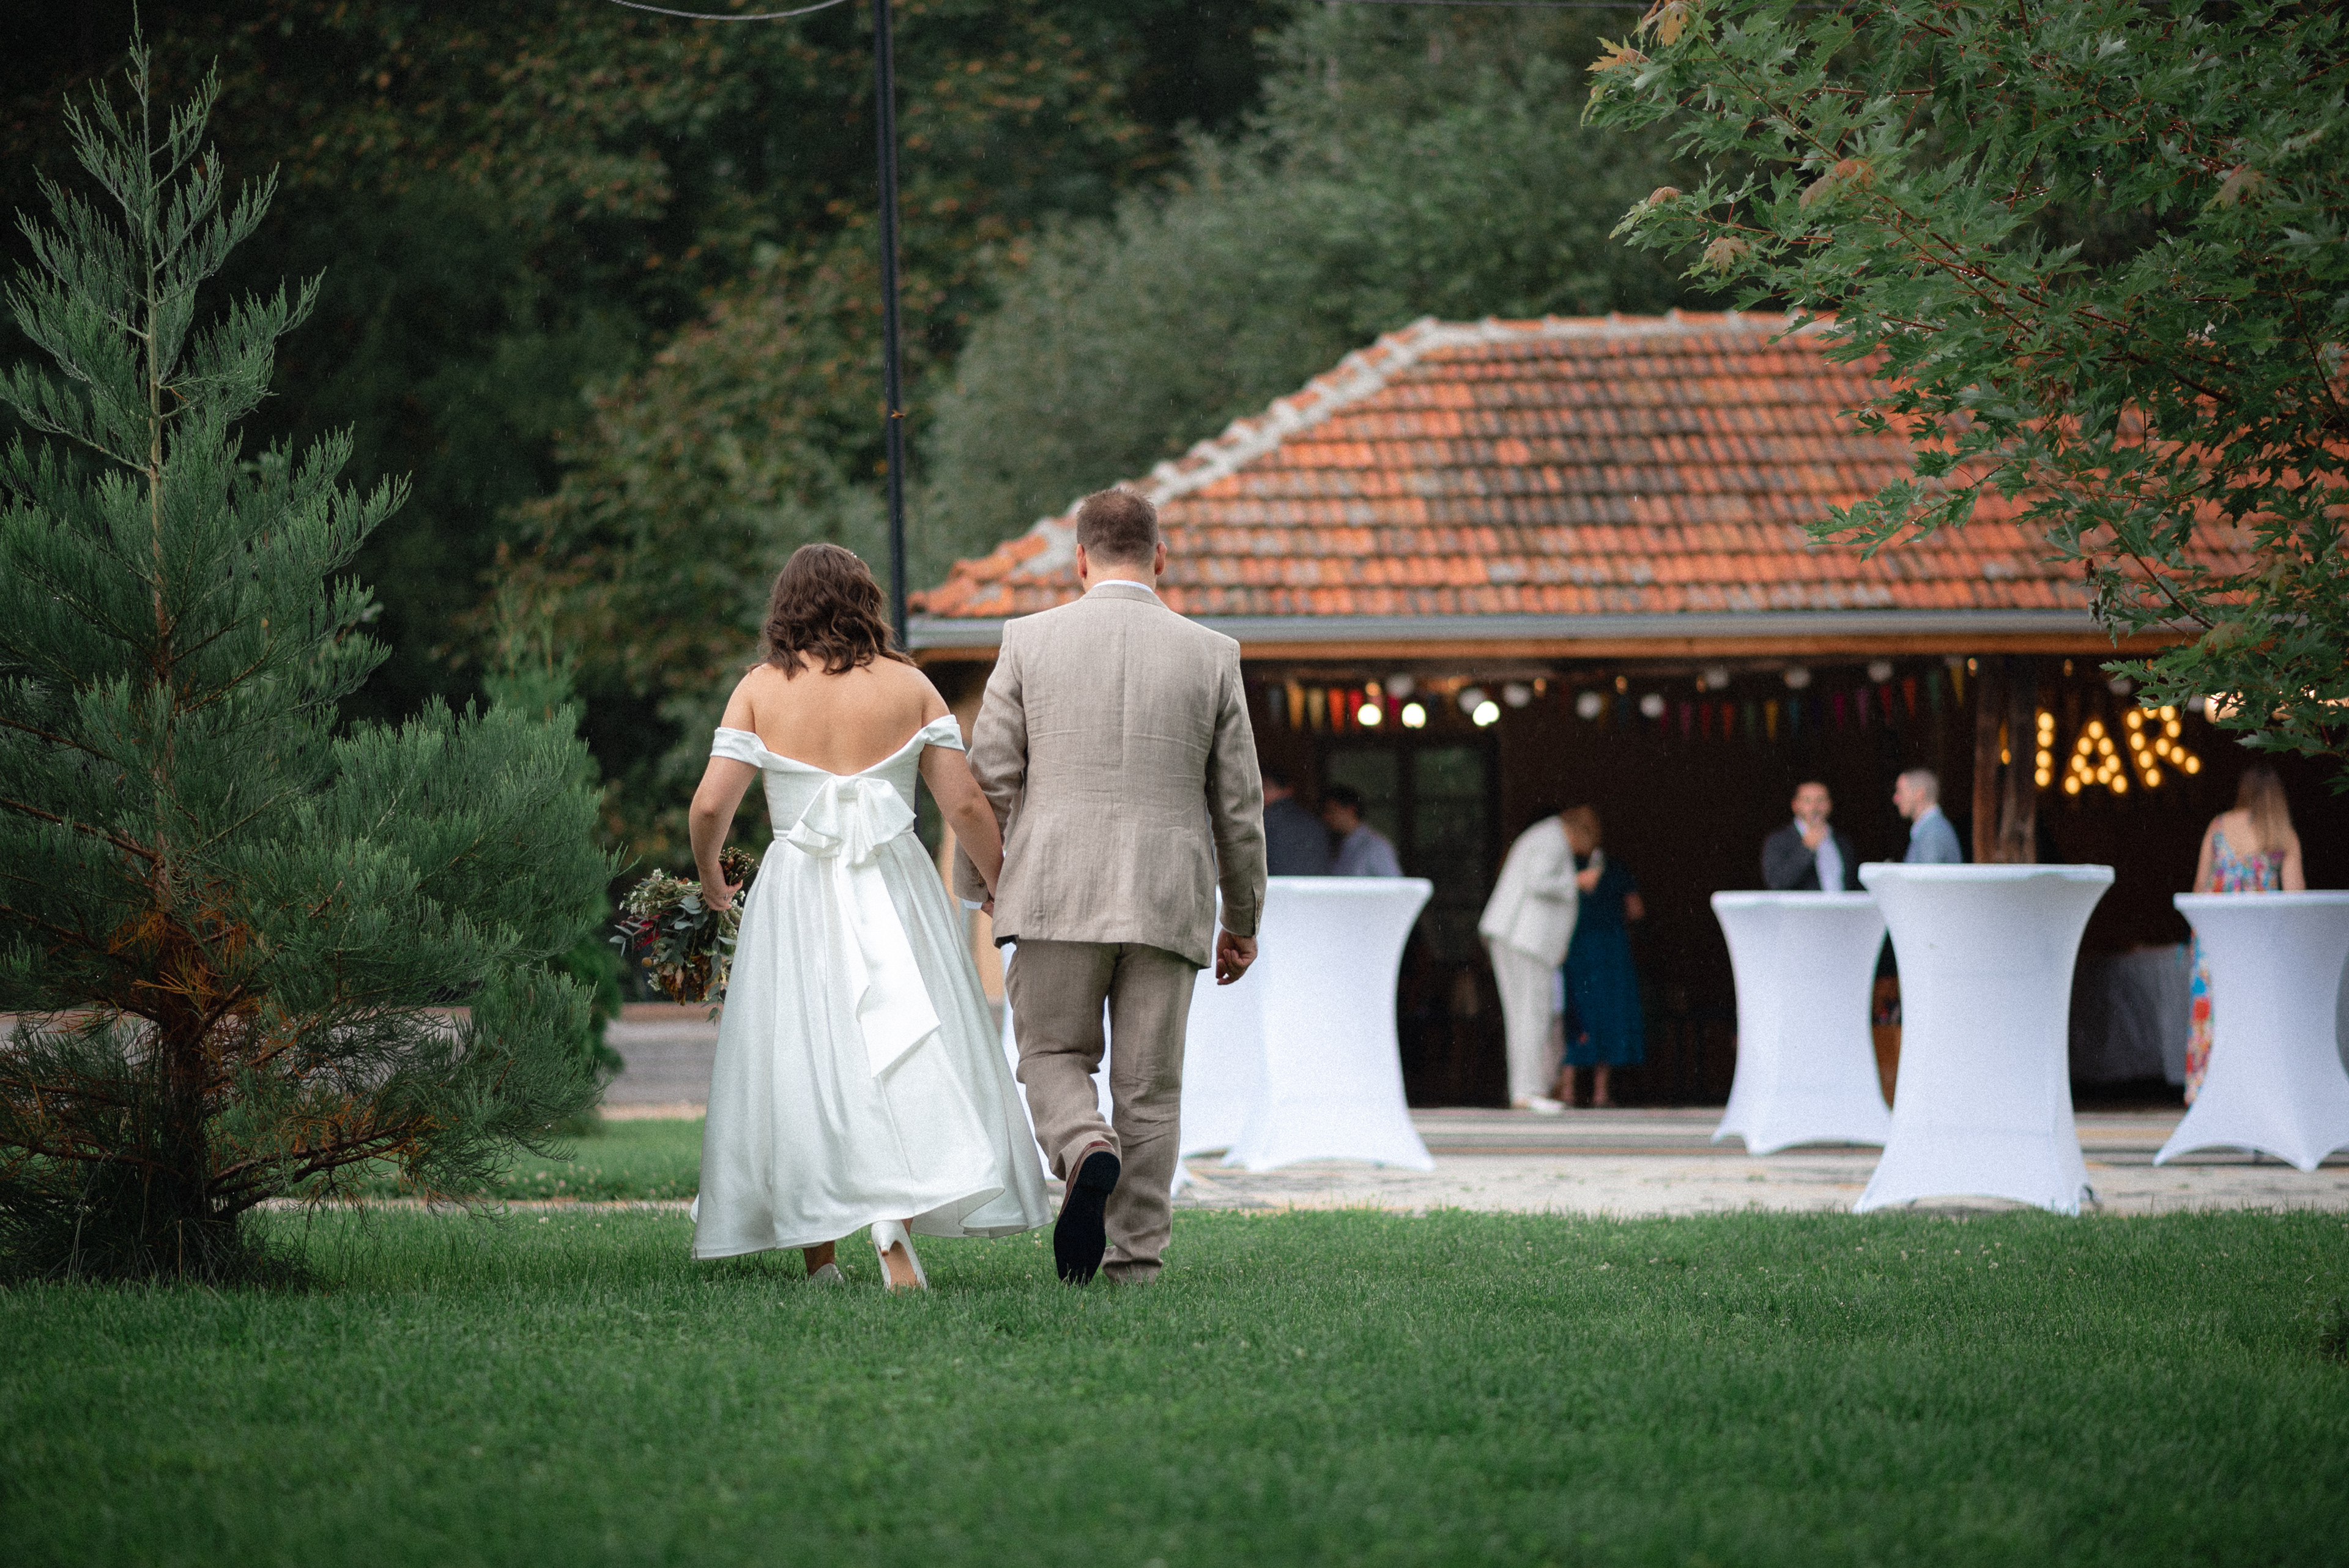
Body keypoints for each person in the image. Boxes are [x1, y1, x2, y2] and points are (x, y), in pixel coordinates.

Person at [686, 543, 1052, 1289]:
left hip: (798, 893)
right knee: (902, 1043)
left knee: (803, 1056)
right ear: (866, 603)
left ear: (786, 608)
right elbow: (964, 804)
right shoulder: (910, 685)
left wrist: (711, 874)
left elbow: (710, 804)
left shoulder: (759, 689)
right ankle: (895, 1220)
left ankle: (820, 1257)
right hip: (895, 885)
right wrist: (999, 882)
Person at [965, 488, 1267, 1285]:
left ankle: (1081, 1143)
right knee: (1150, 1090)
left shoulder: (1027, 640)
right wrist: (1242, 917)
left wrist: (984, 882)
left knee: (1050, 1052)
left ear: (1079, 559)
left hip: (1053, 888)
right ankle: (1136, 1263)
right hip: (1168, 897)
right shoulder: (1213, 654)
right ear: (1160, 555)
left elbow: (989, 775)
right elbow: (1238, 806)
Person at [2184, 764, 2306, 1103]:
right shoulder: (2282, 836)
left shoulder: (2218, 827)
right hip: (2261, 941)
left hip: (2215, 938)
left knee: (2212, 1015)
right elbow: (2297, 899)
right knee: (2257, 1014)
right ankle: (2257, 1094)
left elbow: (2199, 888)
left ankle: (2206, 1093)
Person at [1479, 808, 1579, 1113]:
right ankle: (1528, 1090)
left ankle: (1526, 1090)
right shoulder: (1553, 839)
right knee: (1530, 1016)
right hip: (1526, 940)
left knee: (1525, 1016)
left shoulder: (1543, 836)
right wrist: (1576, 881)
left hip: (1519, 938)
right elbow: (1539, 881)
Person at [1554, 806, 1645, 1108]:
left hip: (1577, 946)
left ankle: (1568, 1089)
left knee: (1576, 1013)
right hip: (1610, 950)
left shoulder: (1567, 867)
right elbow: (1636, 909)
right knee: (1607, 1016)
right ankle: (1600, 1092)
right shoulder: (1614, 867)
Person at [1762, 780, 1857, 891]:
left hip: (1841, 902)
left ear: (1830, 804)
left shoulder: (1842, 841)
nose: (1815, 806)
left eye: (1821, 800)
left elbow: (1853, 883)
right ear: (1795, 805)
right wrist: (1807, 849)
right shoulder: (1778, 841)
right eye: (1807, 800)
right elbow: (1777, 882)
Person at [1261, 765, 1332, 875]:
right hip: (1315, 885)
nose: (1262, 793)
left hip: (1277, 885)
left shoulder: (1266, 821)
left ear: (1288, 790)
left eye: (1266, 788)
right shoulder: (1312, 821)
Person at [1323, 783, 1402, 877]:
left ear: (1351, 810)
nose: (1327, 817)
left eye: (1332, 811)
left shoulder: (1375, 846)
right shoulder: (1340, 844)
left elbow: (1393, 882)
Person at [1893, 768, 1964, 863]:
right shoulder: (1930, 827)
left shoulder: (1932, 832)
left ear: (1919, 795)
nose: (1895, 799)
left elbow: (1927, 872)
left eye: (1900, 792)